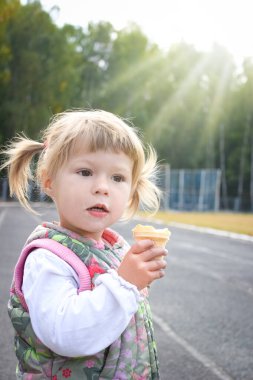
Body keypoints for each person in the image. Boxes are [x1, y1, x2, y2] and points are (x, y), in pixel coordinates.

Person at [1, 109, 167, 379]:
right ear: (49, 181)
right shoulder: (48, 258)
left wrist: (138, 278)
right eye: (85, 171)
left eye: (117, 178)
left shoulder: (116, 250)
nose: (102, 187)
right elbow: (66, 334)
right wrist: (125, 284)